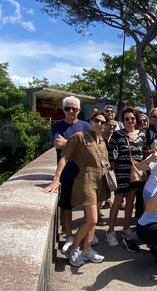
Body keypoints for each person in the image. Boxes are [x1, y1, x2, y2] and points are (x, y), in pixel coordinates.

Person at [44, 111, 111, 267]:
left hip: (100, 180)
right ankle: (73, 248)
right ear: (91, 120)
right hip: (86, 179)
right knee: (92, 219)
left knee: (93, 221)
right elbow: (65, 157)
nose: (99, 124)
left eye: (102, 122)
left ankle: (87, 249)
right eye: (96, 120)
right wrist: (56, 178)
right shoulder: (79, 137)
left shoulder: (102, 140)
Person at [50, 96, 91, 254]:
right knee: (66, 207)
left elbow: (90, 146)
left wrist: (69, 142)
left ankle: (86, 234)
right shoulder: (58, 126)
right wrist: (79, 143)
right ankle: (69, 235)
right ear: (63, 109)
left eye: (74, 109)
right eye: (68, 108)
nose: (71, 111)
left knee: (87, 205)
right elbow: (58, 144)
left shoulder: (86, 125)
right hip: (66, 172)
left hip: (83, 173)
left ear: (79, 110)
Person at [105, 107, 147, 251]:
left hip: (136, 172)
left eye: (132, 118)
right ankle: (110, 231)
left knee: (131, 199)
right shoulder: (117, 134)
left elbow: (142, 151)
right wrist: (113, 167)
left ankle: (126, 227)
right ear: (122, 121)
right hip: (122, 171)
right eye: (127, 119)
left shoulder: (142, 134)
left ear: (136, 119)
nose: (130, 121)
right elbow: (109, 152)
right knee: (118, 200)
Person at [100, 119, 118, 211]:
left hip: (110, 163)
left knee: (109, 182)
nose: (112, 127)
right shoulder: (99, 136)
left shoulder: (114, 137)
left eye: (114, 126)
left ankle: (108, 200)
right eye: (110, 125)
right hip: (99, 164)